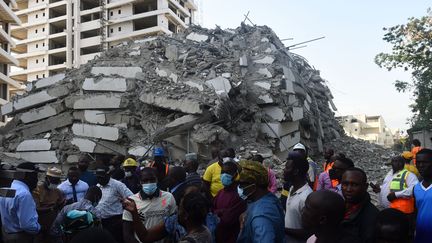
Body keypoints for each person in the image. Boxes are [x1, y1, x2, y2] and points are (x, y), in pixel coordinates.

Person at [123, 191, 212, 243]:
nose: (177, 211)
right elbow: (146, 237)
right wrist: (134, 212)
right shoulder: (205, 230)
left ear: (185, 215)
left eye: (180, 208)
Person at [122, 167, 176, 243]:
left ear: (157, 180)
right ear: (140, 182)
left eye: (152, 180)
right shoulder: (131, 202)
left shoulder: (169, 197)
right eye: (145, 180)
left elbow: (174, 224)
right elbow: (127, 233)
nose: (149, 183)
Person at [236, 160, 285, 243]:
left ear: (253, 186)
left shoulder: (261, 219)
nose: (239, 187)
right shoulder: (267, 197)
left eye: (241, 184)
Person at [0, 162, 41, 243]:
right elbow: (27, 225)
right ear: (25, 175)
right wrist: (39, 228)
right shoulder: (24, 194)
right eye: (35, 176)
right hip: (21, 237)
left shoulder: (7, 188)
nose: (37, 180)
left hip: (7, 234)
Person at [95, 165, 133, 243]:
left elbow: (131, 197)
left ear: (108, 175)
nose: (99, 180)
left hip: (115, 221)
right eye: (98, 177)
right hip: (101, 222)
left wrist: (125, 205)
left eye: (101, 177)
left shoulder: (117, 185)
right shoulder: (98, 185)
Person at [341, 168, 379, 243]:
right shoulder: (338, 207)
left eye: (354, 185)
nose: (348, 189)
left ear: (365, 187)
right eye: (345, 184)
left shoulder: (372, 217)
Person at [213, 161, 247, 243]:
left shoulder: (239, 194)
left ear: (235, 175)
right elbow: (211, 211)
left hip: (232, 237)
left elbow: (228, 219)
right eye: (222, 172)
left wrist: (218, 213)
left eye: (228, 172)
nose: (224, 175)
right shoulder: (220, 192)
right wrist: (221, 212)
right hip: (218, 236)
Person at [284, 151, 313, 243]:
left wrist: (283, 229)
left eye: (287, 168)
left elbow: (309, 232)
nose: (283, 170)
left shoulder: (306, 197)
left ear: (296, 171)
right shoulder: (292, 188)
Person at [32, 167, 65, 243]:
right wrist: (52, 208)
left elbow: (60, 205)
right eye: (53, 181)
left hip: (53, 226)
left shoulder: (57, 191)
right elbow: (36, 209)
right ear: (47, 178)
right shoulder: (37, 191)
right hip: (40, 227)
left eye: (57, 181)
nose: (55, 183)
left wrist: (64, 204)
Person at [413, 148, 432, 243]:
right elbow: (417, 212)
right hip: (420, 237)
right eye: (418, 162)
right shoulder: (416, 188)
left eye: (425, 162)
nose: (420, 166)